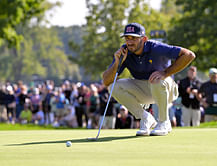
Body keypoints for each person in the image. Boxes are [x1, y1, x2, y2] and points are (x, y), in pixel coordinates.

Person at [102, 22, 195, 136]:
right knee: (113, 87)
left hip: (167, 89)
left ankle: (163, 122)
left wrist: (165, 72)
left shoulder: (156, 47)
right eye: (127, 38)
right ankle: (146, 118)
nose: (129, 42)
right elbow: (106, 81)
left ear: (144, 39)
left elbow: (189, 55)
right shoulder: (124, 53)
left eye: (134, 38)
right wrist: (117, 62)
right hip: (146, 91)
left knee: (156, 80)